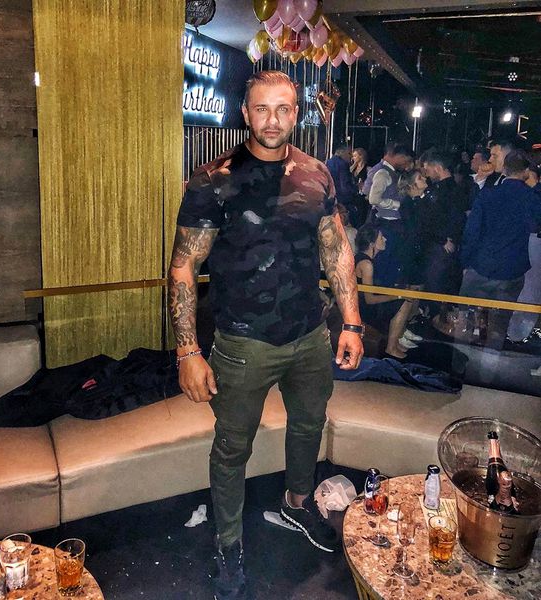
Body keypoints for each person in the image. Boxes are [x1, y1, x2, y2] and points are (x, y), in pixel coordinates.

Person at [168, 70, 364, 600]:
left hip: (309, 334)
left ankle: (297, 504)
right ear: (245, 113)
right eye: (261, 109)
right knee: (232, 447)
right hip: (242, 342)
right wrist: (187, 350)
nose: (272, 120)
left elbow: (335, 250)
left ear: (296, 113)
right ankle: (228, 543)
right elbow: (184, 265)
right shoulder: (213, 179)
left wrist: (351, 322)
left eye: (283, 109)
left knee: (309, 425)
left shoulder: (317, 174)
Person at [460, 150, 541, 350]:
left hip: (481, 266)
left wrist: (465, 262)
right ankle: (489, 363)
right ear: (526, 172)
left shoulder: (488, 194)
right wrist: (536, 187)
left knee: (469, 325)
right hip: (511, 271)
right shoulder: (530, 197)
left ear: (505, 169)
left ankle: (463, 362)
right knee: (498, 327)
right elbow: (535, 225)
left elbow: (471, 231)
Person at [354, 224, 419, 359]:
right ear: (372, 244)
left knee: (406, 295)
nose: (385, 239)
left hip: (364, 304)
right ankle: (391, 347)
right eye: (381, 237)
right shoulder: (366, 265)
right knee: (405, 301)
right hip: (365, 309)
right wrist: (398, 295)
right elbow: (369, 299)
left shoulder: (365, 258)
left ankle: (396, 340)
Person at [362, 143, 414, 287]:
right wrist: (396, 204)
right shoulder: (383, 173)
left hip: (392, 223)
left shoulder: (391, 173)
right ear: (399, 156)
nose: (406, 164)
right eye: (406, 159)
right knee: (384, 261)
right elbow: (373, 199)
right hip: (386, 223)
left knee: (391, 262)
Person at [421, 151, 467, 298]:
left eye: (428, 170)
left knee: (434, 288)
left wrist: (442, 240)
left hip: (439, 246)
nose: (427, 174)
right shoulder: (459, 188)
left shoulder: (438, 192)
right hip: (452, 245)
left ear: (438, 168)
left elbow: (429, 219)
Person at [506, 164, 541, 343]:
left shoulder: (533, 195)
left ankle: (518, 333)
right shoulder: (530, 195)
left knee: (530, 290)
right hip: (528, 244)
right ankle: (518, 333)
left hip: (534, 243)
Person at [326, 145, 359, 228]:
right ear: (341, 153)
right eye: (349, 154)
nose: (350, 157)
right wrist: (356, 189)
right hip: (343, 202)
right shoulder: (343, 164)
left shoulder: (328, 162)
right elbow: (344, 186)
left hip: (331, 199)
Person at [350, 147, 370, 227]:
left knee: (361, 217)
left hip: (362, 196)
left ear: (361, 156)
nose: (353, 158)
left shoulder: (368, 169)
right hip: (353, 195)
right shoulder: (352, 168)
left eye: (355, 156)